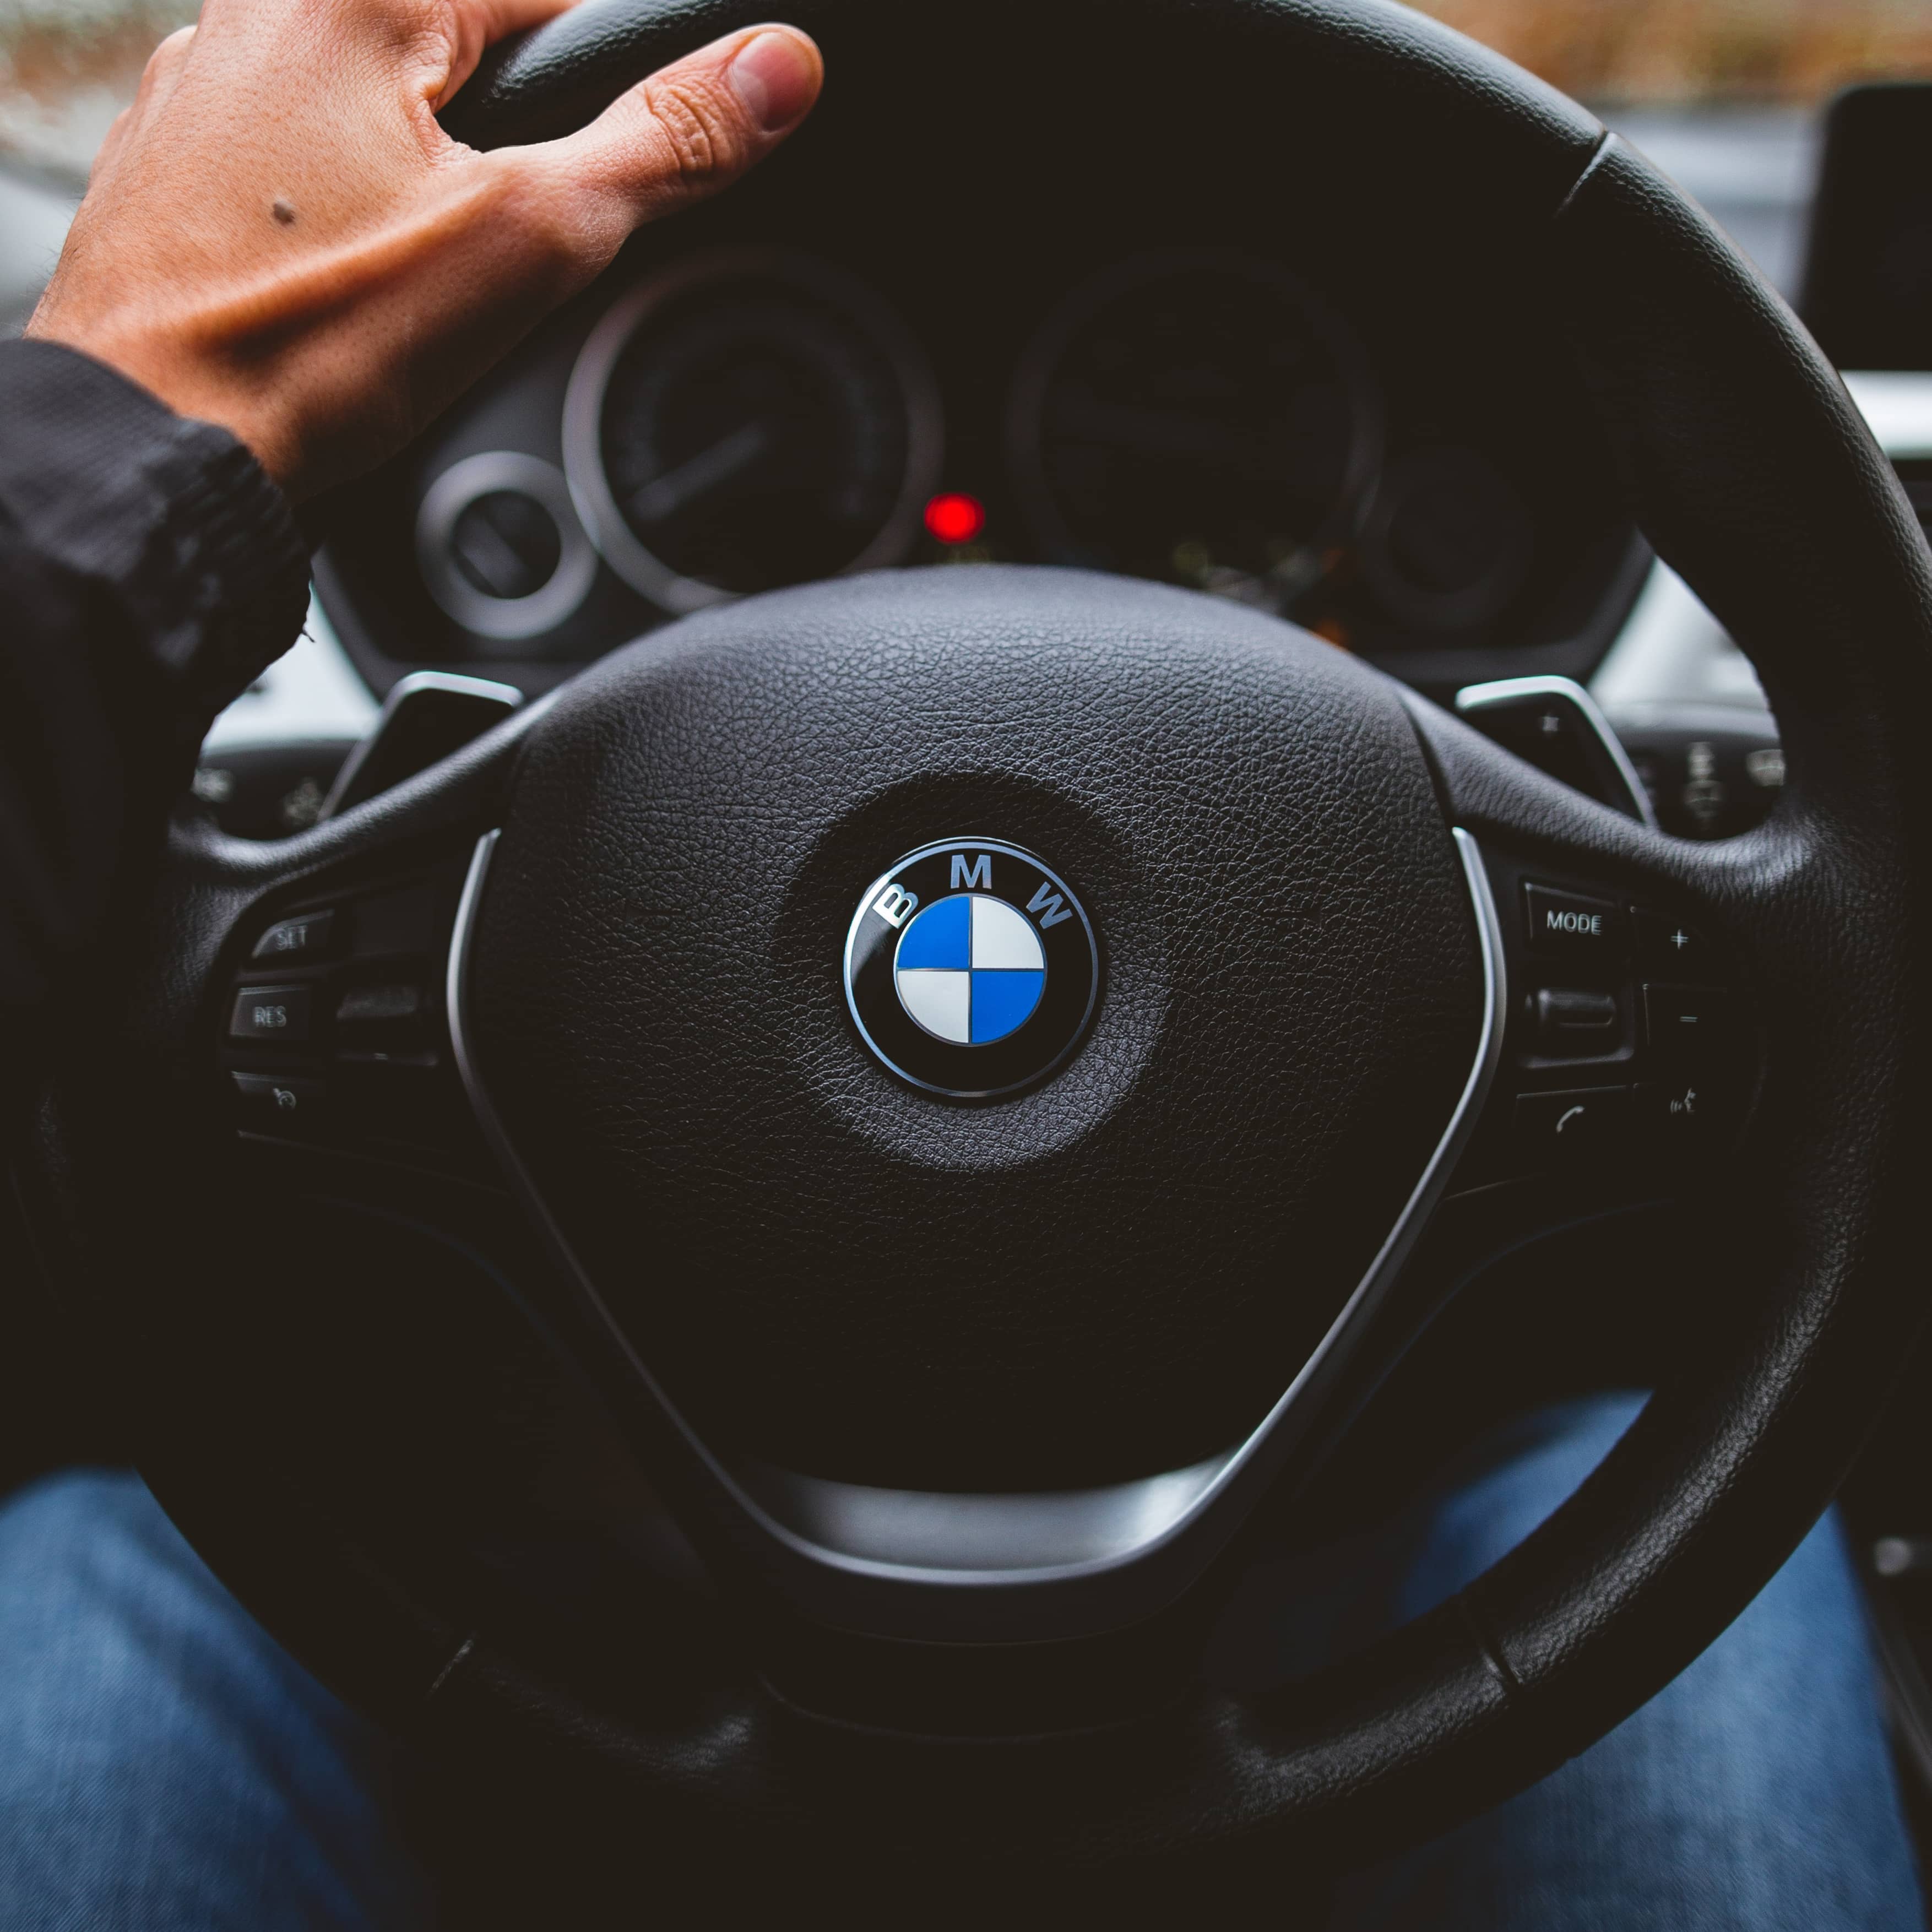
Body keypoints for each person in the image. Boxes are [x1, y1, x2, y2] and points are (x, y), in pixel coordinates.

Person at [0, 1, 1921, 1924]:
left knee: (114, 1560)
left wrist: (134, 420)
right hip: (1368, 1574)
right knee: (1660, 1550)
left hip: (514, 1588)